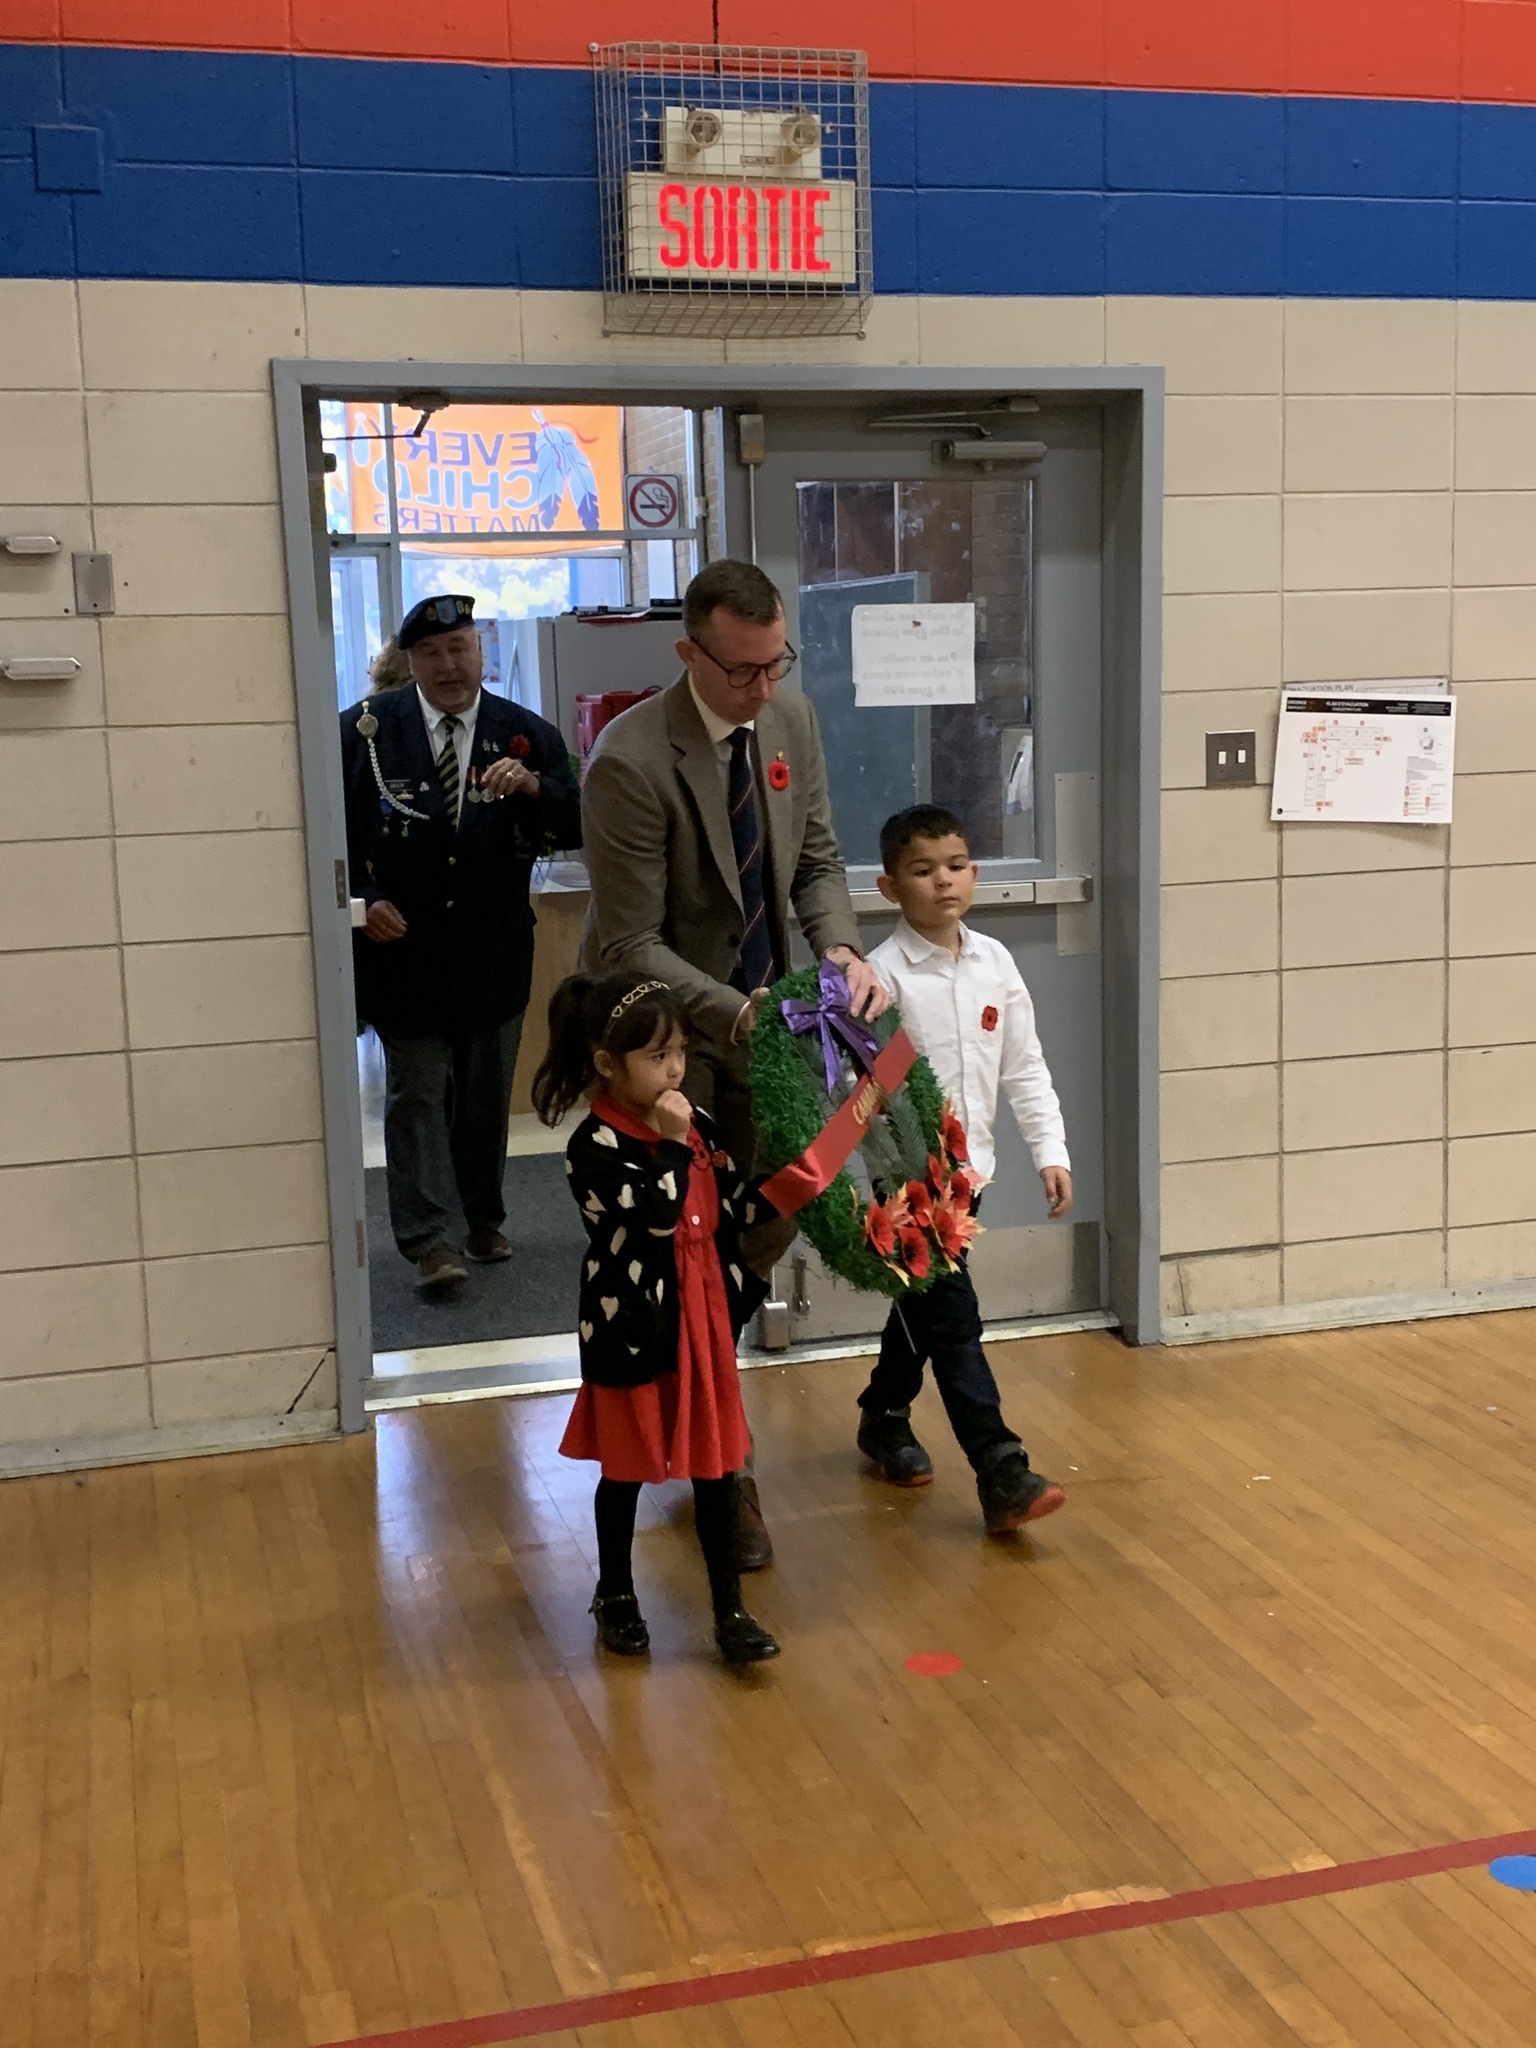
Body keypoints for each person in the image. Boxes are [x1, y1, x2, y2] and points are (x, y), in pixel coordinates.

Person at [580, 557, 890, 1568]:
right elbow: (629, 941)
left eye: (776, 663)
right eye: (743, 670)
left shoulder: (790, 720)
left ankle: (702, 1414)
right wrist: (739, 1012)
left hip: (773, 1022)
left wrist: (839, 948)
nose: (763, 686)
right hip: (669, 1043)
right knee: (693, 1252)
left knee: (771, 1216)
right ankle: (725, 1467)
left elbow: (815, 861)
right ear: (691, 653)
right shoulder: (630, 761)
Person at [532, 971, 780, 1666]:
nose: (674, 1070)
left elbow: (730, 1205)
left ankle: (730, 1611)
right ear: (608, 1064)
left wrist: (797, 1189)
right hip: (633, 1326)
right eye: (656, 1056)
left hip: (702, 1317)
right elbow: (656, 1216)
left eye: (680, 1053)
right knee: (627, 1468)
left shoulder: (695, 1124)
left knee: (717, 1469)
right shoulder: (593, 1148)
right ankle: (615, 1593)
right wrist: (672, 1143)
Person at [341, 592, 581, 1289]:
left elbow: (575, 825)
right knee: (417, 1093)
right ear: (410, 660)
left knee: (483, 1093)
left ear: (481, 651)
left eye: (459, 648)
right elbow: (335, 834)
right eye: (431, 653)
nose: (448, 665)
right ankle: (429, 1241)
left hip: (492, 948)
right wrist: (365, 898)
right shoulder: (365, 733)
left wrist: (534, 787)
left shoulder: (526, 733)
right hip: (403, 949)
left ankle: (481, 1216)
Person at [861, 804, 1073, 1535]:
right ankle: (1000, 1468)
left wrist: (1051, 1151)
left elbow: (1025, 1066)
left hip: (969, 1177)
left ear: (975, 874)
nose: (943, 881)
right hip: (907, 1184)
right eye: (922, 871)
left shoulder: (995, 963)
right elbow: (864, 1091)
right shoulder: (881, 979)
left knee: (922, 1307)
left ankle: (883, 1414)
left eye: (955, 866)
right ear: (890, 887)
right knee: (954, 1320)